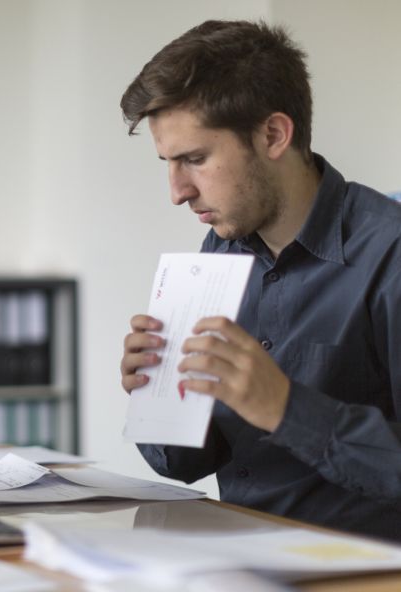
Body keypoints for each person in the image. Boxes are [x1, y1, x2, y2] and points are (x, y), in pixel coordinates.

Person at [118, 20, 401, 541]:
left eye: (195, 160)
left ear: (273, 135)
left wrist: (286, 408)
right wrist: (159, 396)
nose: (177, 192)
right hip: (236, 555)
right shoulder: (221, 248)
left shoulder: (391, 254)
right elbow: (178, 464)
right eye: (168, 163)